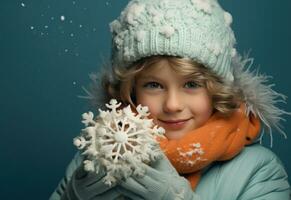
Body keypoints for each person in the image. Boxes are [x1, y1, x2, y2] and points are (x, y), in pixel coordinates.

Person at [49, 0, 291, 199]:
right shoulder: (96, 157)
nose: (172, 105)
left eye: (192, 84)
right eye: (153, 85)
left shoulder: (258, 170)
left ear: (218, 90)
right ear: (130, 91)